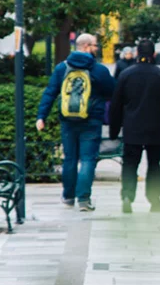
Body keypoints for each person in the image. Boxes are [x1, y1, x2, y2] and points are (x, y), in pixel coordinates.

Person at [35, 34, 116, 211]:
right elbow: (113, 91)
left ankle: (68, 196)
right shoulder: (99, 70)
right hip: (92, 120)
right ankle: (84, 199)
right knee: (88, 159)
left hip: (67, 120)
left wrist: (41, 116)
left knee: (70, 159)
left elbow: (50, 92)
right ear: (86, 46)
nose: (97, 48)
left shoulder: (61, 68)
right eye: (95, 45)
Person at [109, 40, 160, 213]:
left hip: (132, 127)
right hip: (155, 127)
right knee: (154, 164)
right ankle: (154, 200)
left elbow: (116, 104)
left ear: (136, 53)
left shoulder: (126, 74)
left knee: (130, 164)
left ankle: (127, 195)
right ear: (154, 54)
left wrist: (114, 130)